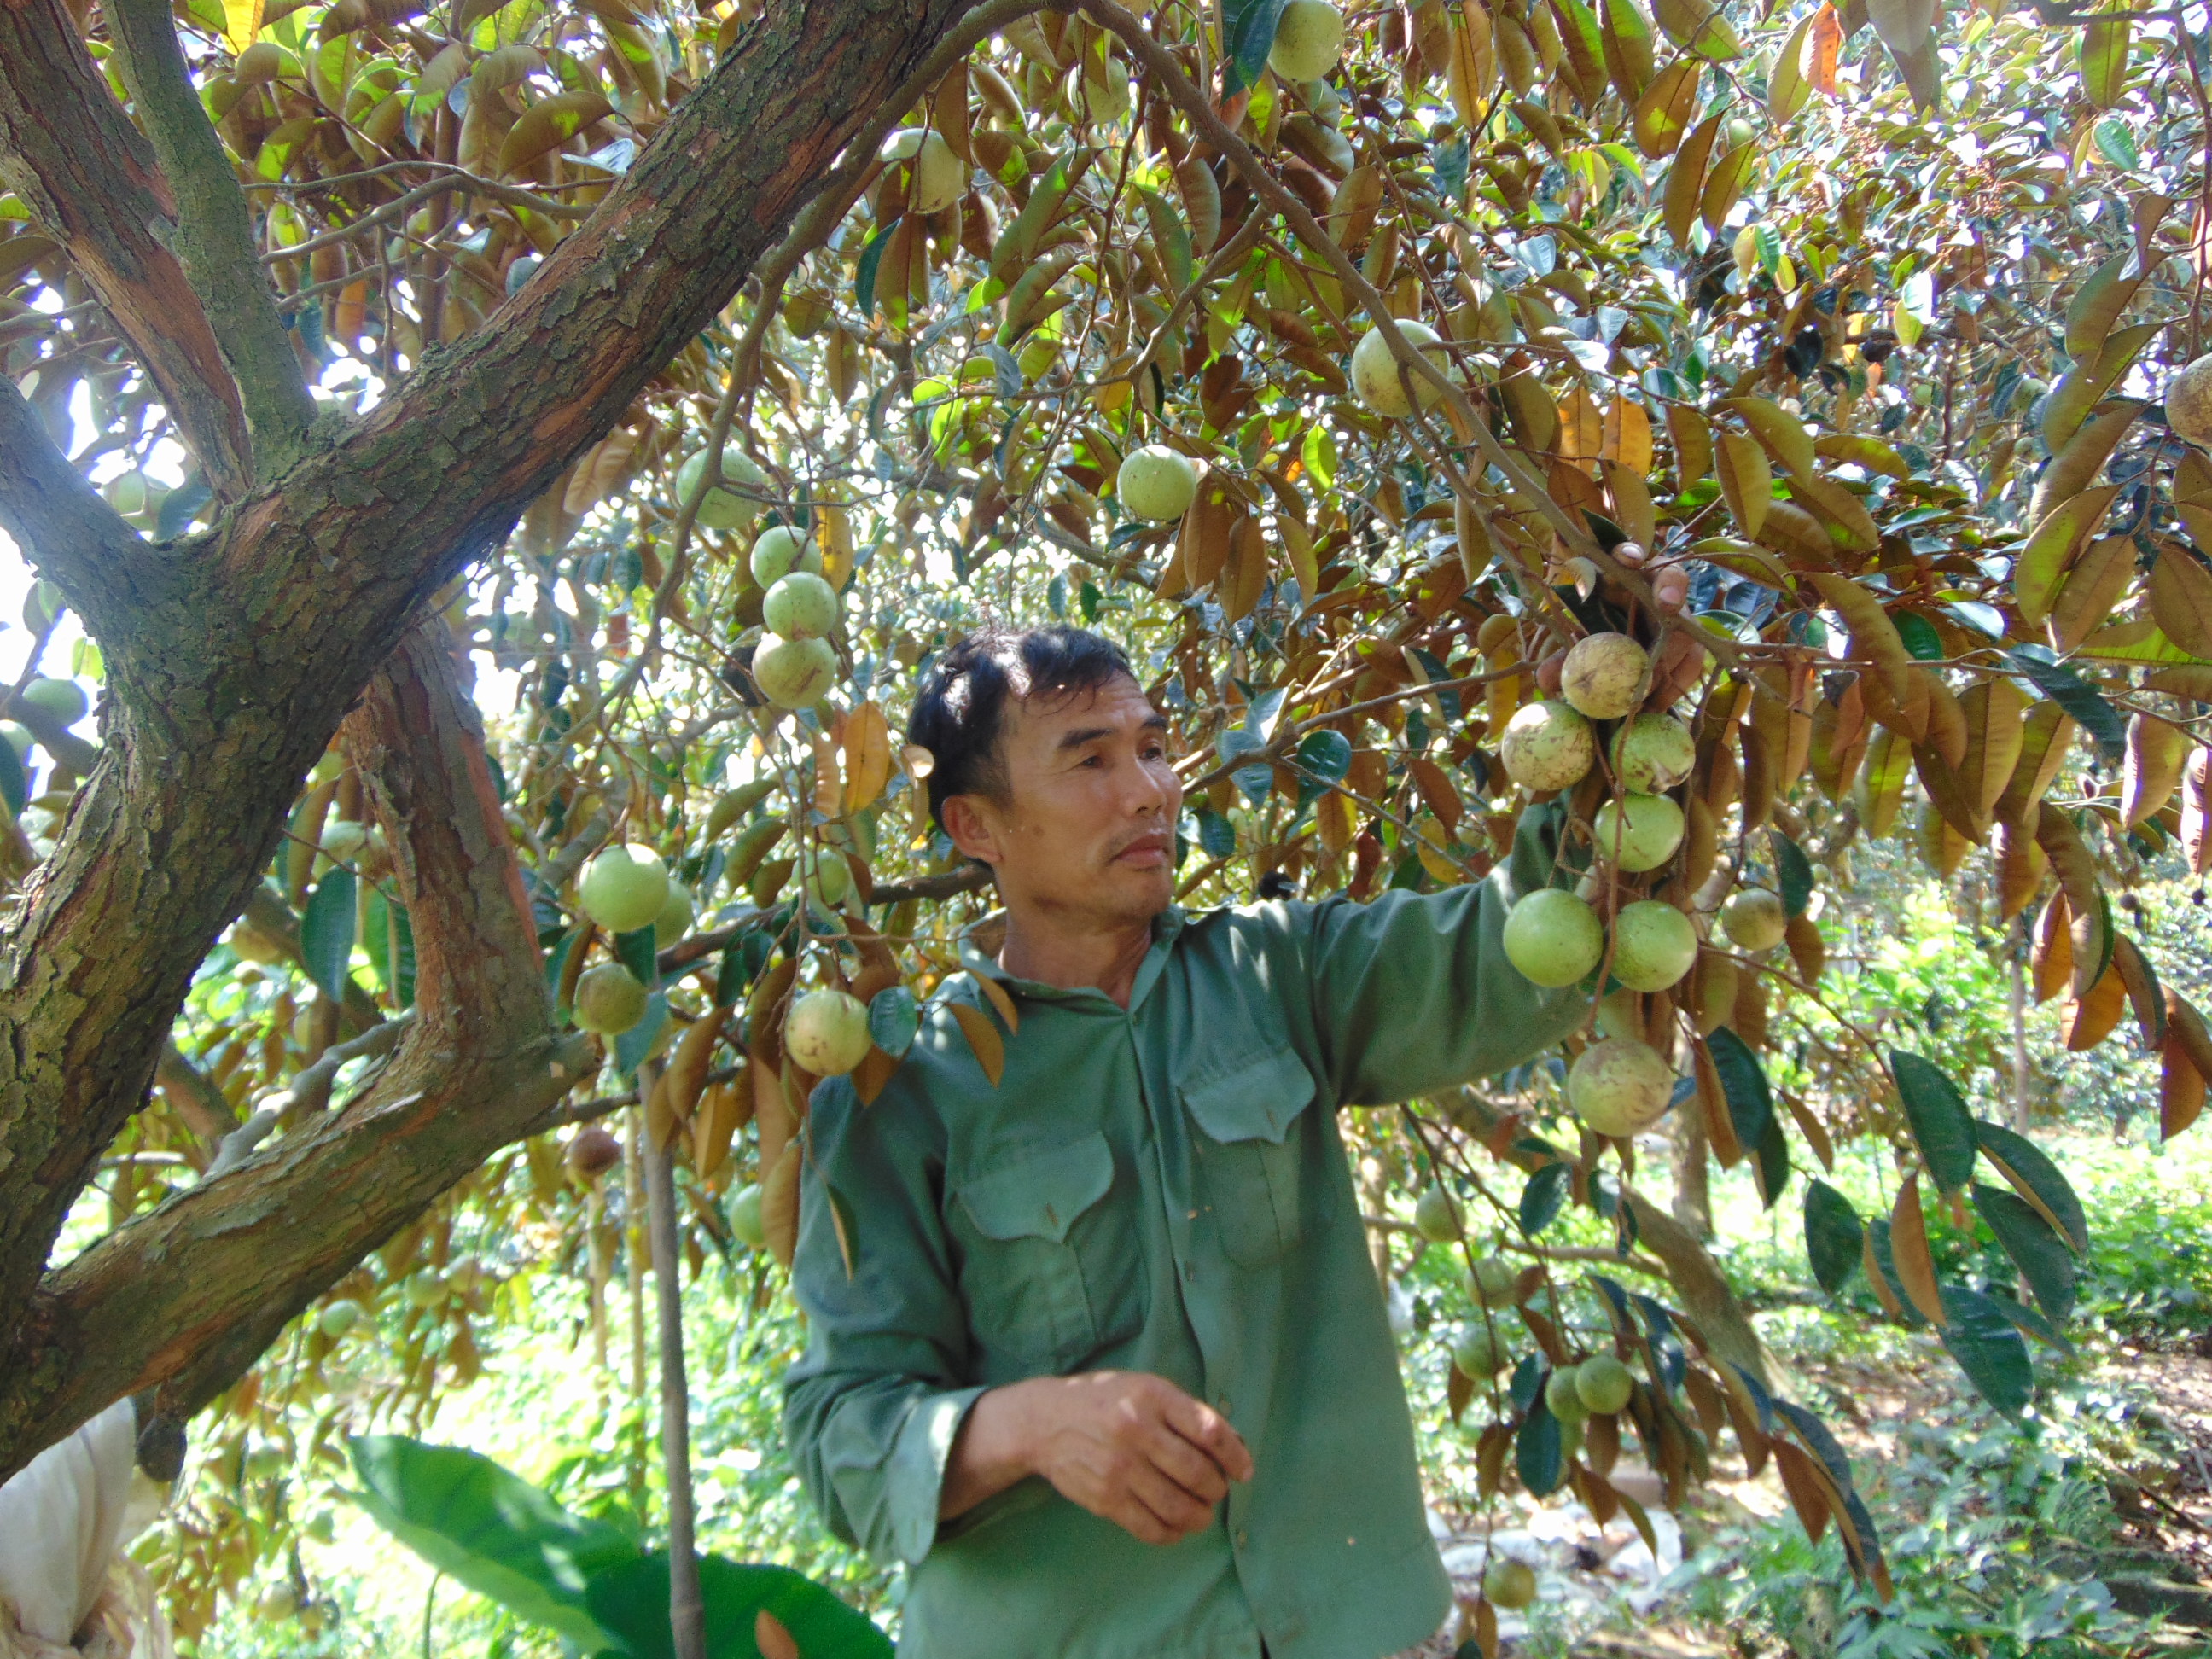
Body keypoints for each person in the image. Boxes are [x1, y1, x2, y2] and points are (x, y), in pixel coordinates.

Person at [783, 625, 1582, 1659]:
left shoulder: (1278, 975)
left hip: (1342, 1624)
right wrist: (1032, 1425)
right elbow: (840, 1443)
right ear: (977, 826)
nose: (1149, 792)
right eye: (1090, 762)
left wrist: (1605, 727)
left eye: (1153, 749)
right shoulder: (904, 1092)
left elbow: (1528, 948)